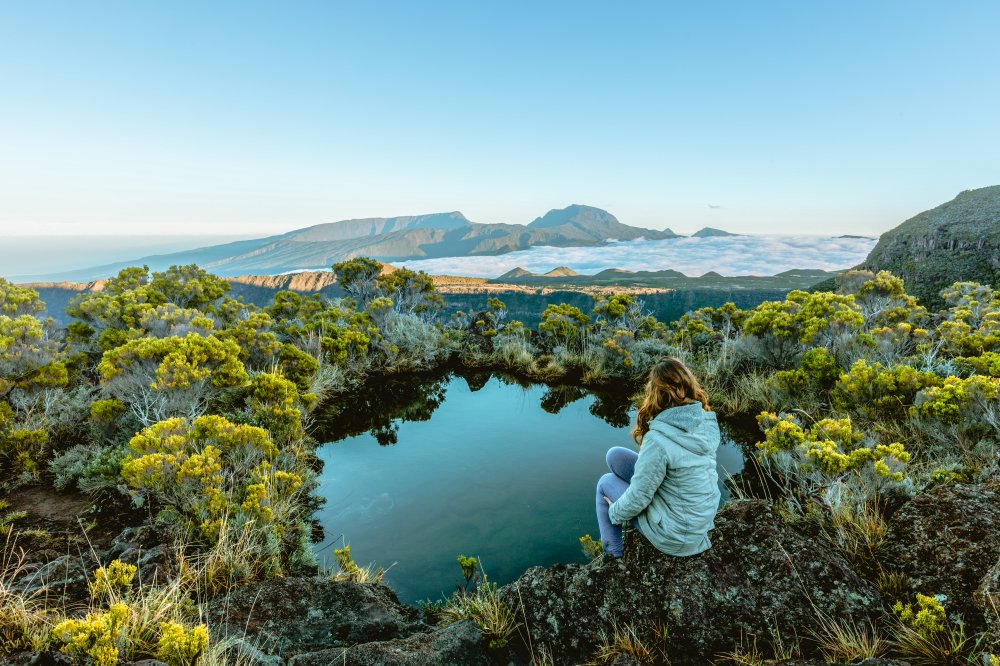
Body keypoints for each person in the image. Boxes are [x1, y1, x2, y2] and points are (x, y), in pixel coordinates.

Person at [595, 356, 721, 557]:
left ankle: (613, 556)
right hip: (698, 522)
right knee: (615, 455)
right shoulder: (705, 423)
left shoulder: (658, 439)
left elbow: (639, 497)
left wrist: (614, 512)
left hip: (675, 535)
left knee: (605, 483)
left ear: (656, 393)